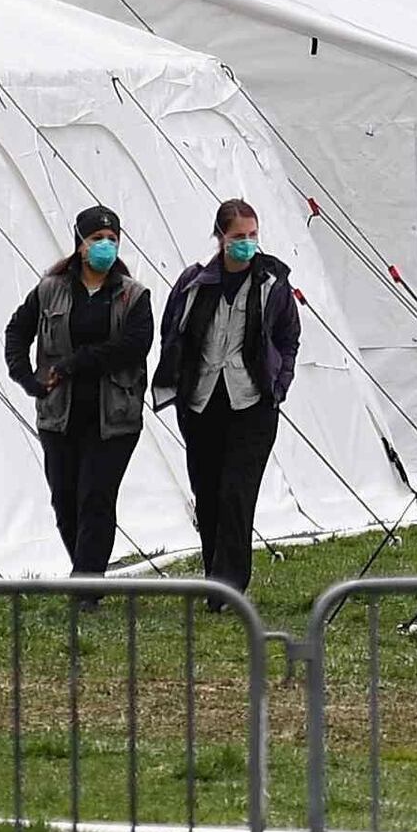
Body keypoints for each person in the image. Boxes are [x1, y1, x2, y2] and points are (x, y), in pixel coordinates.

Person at [1, 201, 154, 580]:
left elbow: (134, 347)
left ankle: (86, 584)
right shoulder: (50, 290)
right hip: (60, 414)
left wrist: (74, 364)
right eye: (98, 238)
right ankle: (84, 569)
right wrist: (28, 378)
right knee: (65, 500)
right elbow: (17, 332)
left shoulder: (133, 296)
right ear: (81, 244)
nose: (106, 246)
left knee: (96, 498)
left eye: (112, 239)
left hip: (114, 416)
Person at [161, 198, 302, 599]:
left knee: (237, 494)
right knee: (207, 491)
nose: (247, 243)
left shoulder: (273, 285)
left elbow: (288, 337)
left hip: (252, 403)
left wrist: (279, 384)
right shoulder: (194, 282)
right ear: (221, 237)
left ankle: (230, 584)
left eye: (253, 235)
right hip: (203, 401)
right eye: (239, 236)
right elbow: (173, 331)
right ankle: (214, 576)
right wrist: (177, 383)